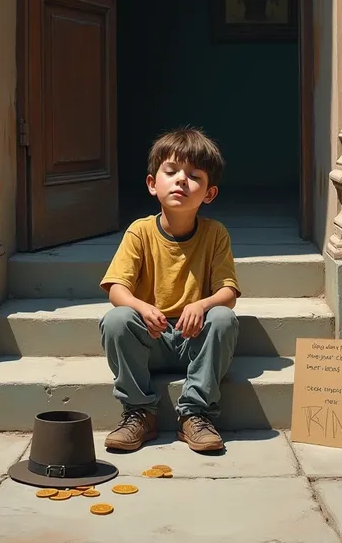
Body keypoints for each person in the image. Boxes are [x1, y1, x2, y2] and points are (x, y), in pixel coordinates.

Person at [99, 127, 240, 453]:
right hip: (152, 338)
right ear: (152, 184)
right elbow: (116, 288)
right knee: (117, 319)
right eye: (172, 171)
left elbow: (228, 293)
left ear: (209, 193)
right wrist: (141, 307)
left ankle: (196, 413)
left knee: (222, 318)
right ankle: (140, 413)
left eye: (194, 176)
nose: (181, 181)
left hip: (195, 340)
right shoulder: (140, 232)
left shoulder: (216, 234)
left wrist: (202, 305)